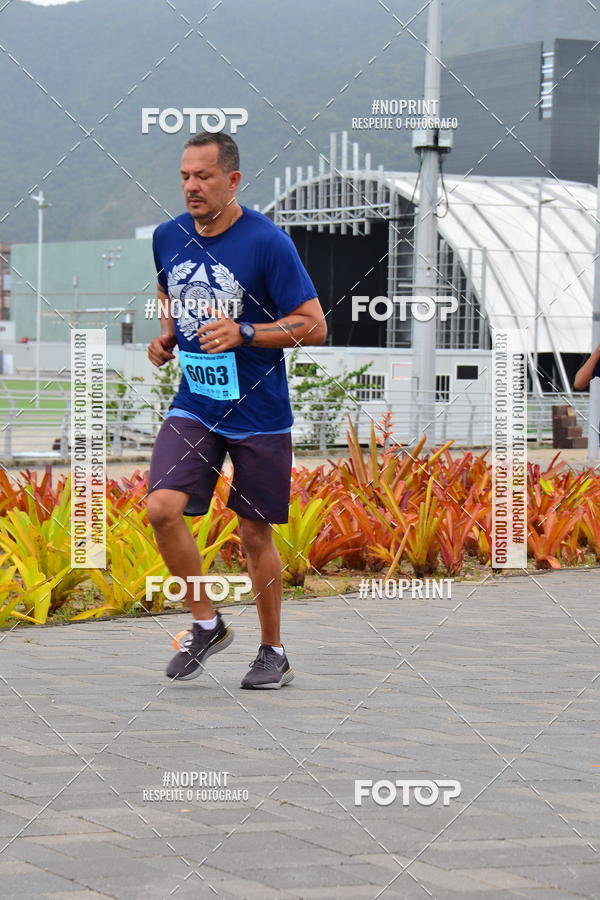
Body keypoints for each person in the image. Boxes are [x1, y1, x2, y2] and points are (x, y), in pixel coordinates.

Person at [146, 131, 326, 689]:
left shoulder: (267, 243)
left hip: (259, 414)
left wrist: (246, 331)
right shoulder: (167, 236)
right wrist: (168, 335)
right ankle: (207, 623)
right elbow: (169, 290)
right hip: (196, 403)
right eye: (184, 176)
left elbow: (315, 326)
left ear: (232, 180)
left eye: (203, 176)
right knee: (161, 508)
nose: (192, 187)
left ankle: (273, 650)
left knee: (254, 536)